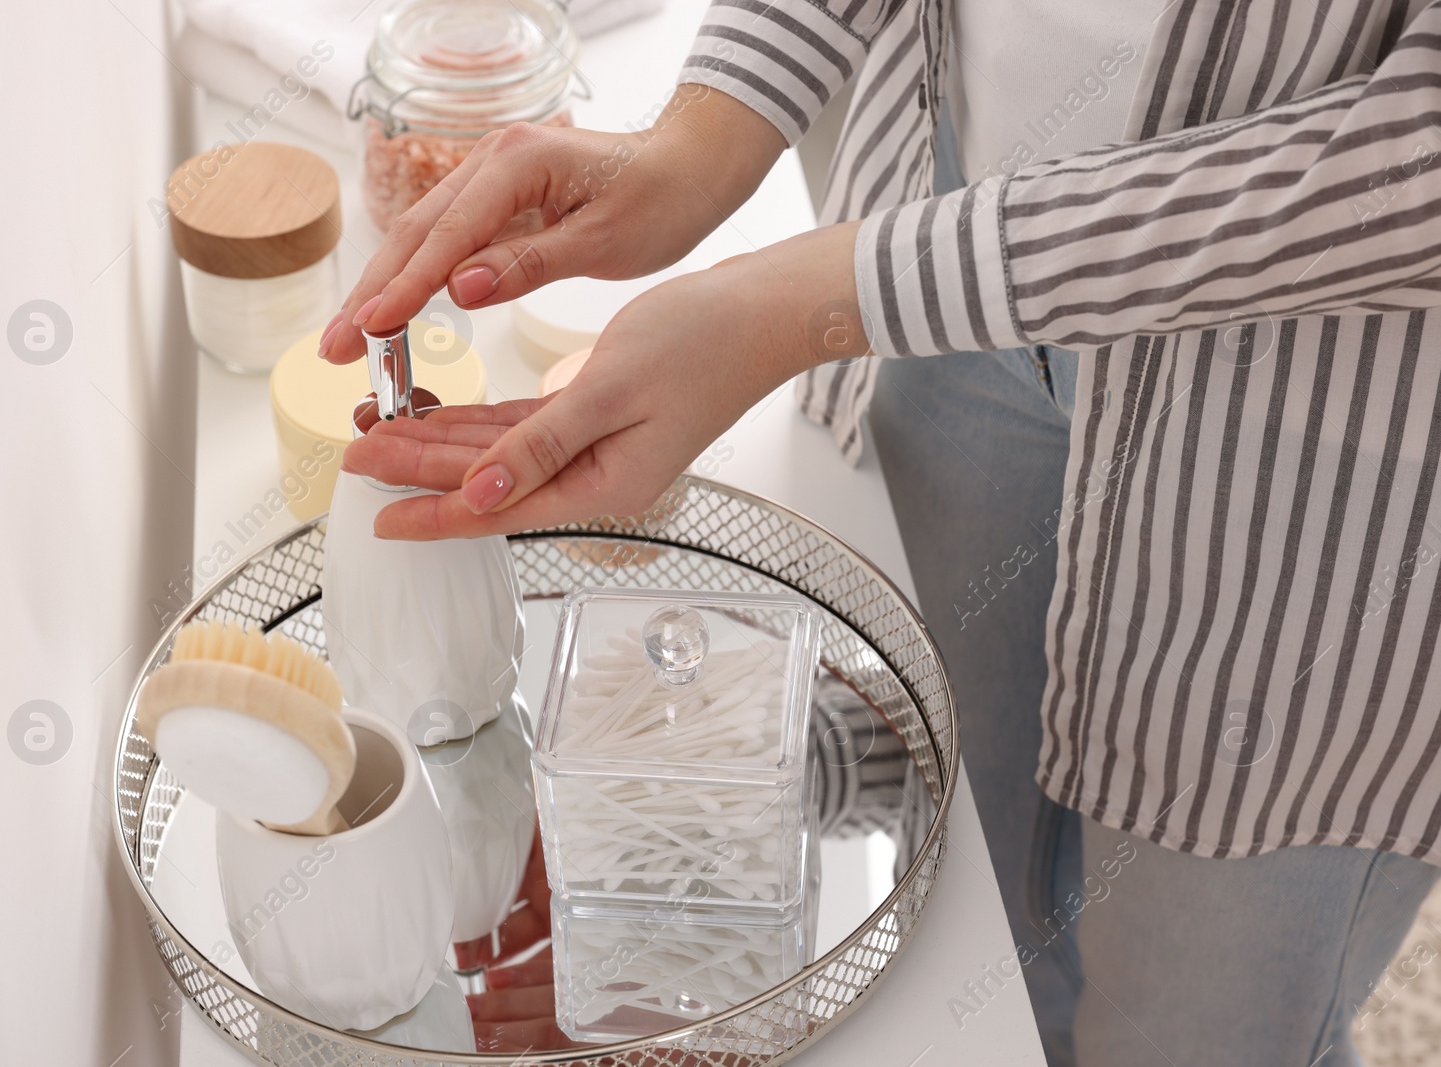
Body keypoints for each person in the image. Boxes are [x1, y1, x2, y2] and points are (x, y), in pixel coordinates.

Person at [321, 1, 1441, 1063]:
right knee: (961, 860)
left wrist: (805, 301)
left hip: (1324, 437)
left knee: (1191, 1021)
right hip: (955, 274)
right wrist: (706, 135)